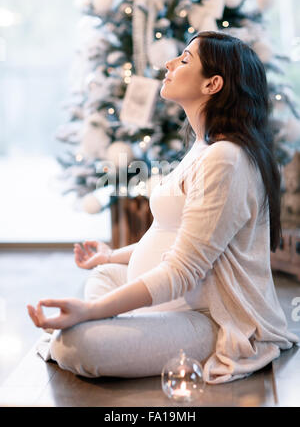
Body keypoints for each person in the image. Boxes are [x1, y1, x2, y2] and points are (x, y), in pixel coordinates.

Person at [27, 31, 299, 384]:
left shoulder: (225, 159)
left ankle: (111, 325)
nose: (169, 64)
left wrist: (92, 311)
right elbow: (177, 238)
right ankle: (122, 320)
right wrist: (111, 257)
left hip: (208, 316)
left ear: (212, 84)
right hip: (173, 300)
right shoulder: (204, 146)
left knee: (76, 345)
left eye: (185, 60)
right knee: (103, 278)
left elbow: (183, 269)